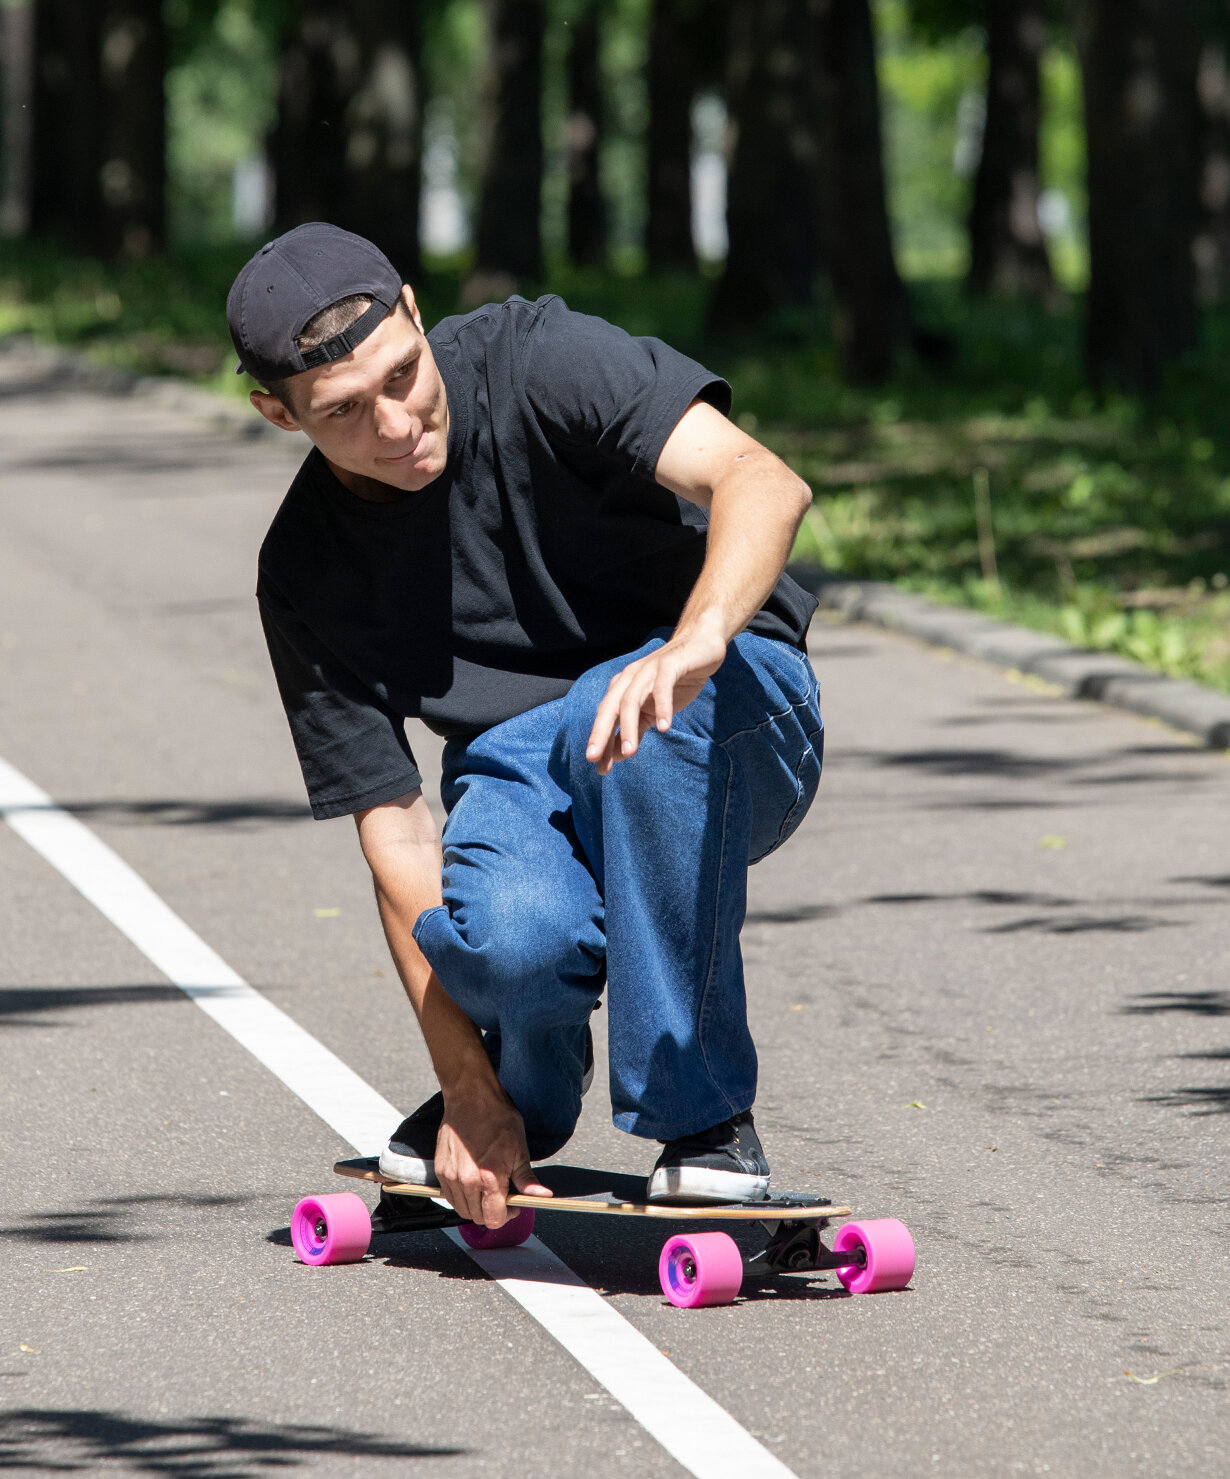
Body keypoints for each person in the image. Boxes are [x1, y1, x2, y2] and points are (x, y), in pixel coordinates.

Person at [228, 222, 823, 1230]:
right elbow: (396, 832)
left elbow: (764, 479)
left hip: (729, 699)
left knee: (625, 705)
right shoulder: (305, 571)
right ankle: (519, 1096)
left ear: (414, 311)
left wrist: (697, 637)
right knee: (505, 938)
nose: (395, 422)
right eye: (343, 411)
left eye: (403, 374)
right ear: (279, 414)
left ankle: (706, 1120)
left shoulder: (537, 358)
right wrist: (464, 1085)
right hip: (525, 757)